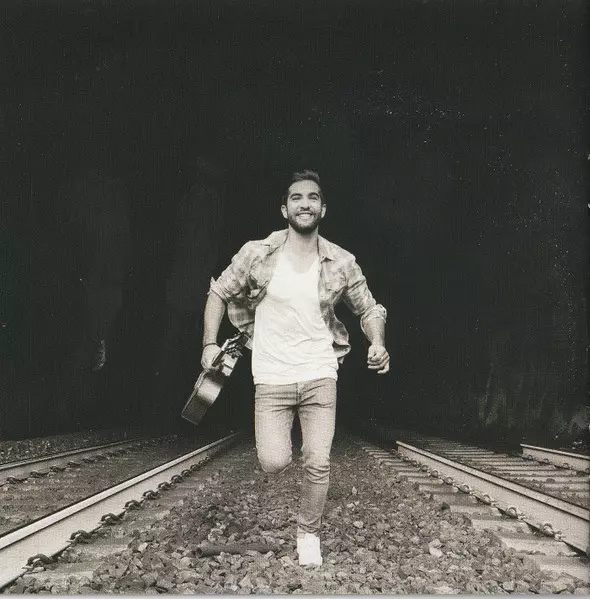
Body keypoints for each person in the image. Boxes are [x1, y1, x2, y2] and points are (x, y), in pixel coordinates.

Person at [200, 170, 389, 566]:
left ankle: (308, 534)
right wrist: (209, 343)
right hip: (272, 376)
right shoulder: (257, 253)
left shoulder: (341, 261)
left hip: (320, 372)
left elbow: (370, 308)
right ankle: (293, 488)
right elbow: (218, 291)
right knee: (273, 461)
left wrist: (377, 342)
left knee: (318, 460)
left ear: (323, 209)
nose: (305, 203)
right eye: (297, 198)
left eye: (313, 197)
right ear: (284, 209)